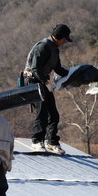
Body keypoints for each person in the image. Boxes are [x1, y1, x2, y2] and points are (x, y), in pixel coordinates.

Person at [24, 23, 72, 155]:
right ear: (58, 37)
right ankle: (36, 141)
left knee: (53, 114)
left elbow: (57, 68)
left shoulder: (54, 48)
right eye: (64, 39)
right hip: (34, 81)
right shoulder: (43, 46)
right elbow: (35, 68)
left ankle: (51, 141)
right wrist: (46, 82)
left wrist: (72, 73)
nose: (65, 42)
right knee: (42, 113)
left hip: (44, 81)